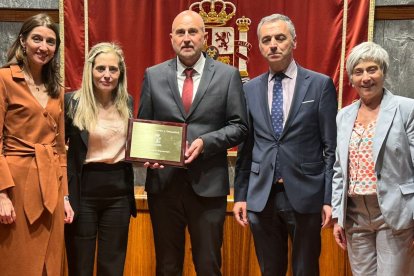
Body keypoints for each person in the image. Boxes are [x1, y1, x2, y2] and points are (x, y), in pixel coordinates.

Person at [138, 10, 248, 276]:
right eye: (180, 32)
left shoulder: (227, 75)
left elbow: (240, 127)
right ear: (171, 38)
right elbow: (145, 126)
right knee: (166, 265)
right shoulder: (153, 75)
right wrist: (147, 153)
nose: (186, 38)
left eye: (192, 32)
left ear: (204, 36)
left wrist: (205, 141)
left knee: (208, 265)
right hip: (164, 187)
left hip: (208, 187)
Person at [233, 14, 337, 276]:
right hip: (262, 196)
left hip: (306, 195)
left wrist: (328, 199)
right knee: (270, 270)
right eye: (266, 40)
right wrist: (241, 194)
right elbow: (246, 148)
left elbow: (330, 148)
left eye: (280, 38)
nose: (273, 45)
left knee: (305, 270)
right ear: (259, 46)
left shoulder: (319, 85)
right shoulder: (250, 89)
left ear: (294, 42)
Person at [0, 13, 74, 275]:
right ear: (23, 41)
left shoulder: (57, 89)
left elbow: (60, 148)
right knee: (17, 261)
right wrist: (1, 194)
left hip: (51, 183)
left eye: (51, 41)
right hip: (16, 184)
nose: (44, 47)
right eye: (37, 39)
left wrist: (65, 196)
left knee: (49, 264)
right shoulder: (5, 79)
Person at [331, 41, 414, 275]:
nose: (366, 77)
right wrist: (339, 215)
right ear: (351, 79)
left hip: (395, 215)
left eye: (372, 69)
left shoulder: (406, 109)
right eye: (358, 72)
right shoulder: (343, 116)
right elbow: (339, 169)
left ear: (383, 72)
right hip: (355, 217)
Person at [64, 42, 137, 276]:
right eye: (101, 68)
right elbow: (57, 151)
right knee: (80, 266)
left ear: (121, 73)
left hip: (118, 194)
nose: (107, 75)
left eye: (113, 69)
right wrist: (64, 196)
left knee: (113, 267)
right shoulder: (71, 103)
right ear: (90, 70)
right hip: (82, 192)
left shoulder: (128, 103)